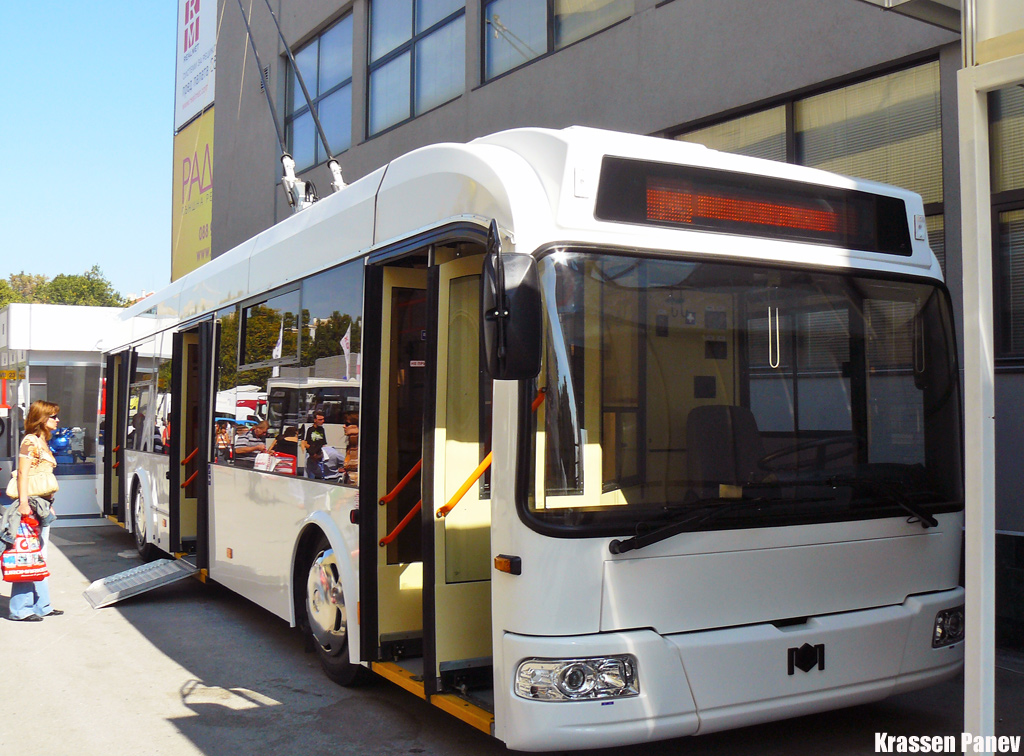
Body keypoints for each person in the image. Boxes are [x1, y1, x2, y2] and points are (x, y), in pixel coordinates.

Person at [4, 400, 64, 621]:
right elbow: (22, 473)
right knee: (27, 553)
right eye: (53, 416)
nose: (57, 420)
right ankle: (21, 609)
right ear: (41, 418)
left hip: (42, 504)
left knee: (38, 554)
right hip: (31, 504)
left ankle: (42, 605)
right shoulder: (30, 441)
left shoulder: (42, 440)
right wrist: (23, 503)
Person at [303, 411, 328, 478]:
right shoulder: (310, 429)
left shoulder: (322, 429)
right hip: (311, 454)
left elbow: (323, 443)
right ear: (315, 420)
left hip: (318, 455)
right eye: (320, 420)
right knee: (310, 475)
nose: (322, 421)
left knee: (320, 475)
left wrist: (318, 455)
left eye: (323, 419)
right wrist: (312, 453)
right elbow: (306, 443)